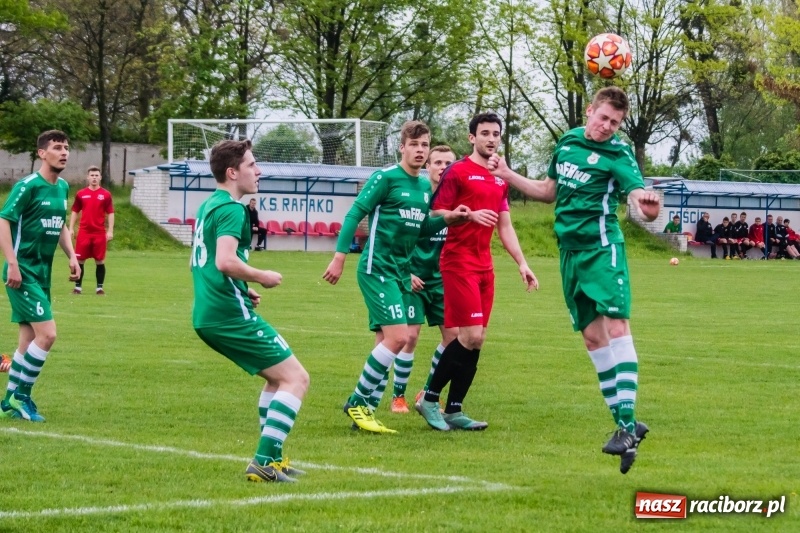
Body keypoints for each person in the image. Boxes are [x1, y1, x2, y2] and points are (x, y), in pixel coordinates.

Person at [487, 87, 657, 474]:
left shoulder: (619, 154)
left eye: (615, 122)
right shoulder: (567, 142)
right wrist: (507, 174)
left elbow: (638, 198)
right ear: (590, 110)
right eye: (603, 117)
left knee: (617, 327)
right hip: (568, 253)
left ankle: (626, 428)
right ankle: (628, 425)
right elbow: (549, 191)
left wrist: (648, 208)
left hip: (602, 250)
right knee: (592, 338)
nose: (607, 126)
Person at [322, 121, 469, 434]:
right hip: (377, 268)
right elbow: (355, 213)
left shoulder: (424, 188)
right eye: (414, 144)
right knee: (400, 337)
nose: (420, 150)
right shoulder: (385, 177)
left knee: (386, 341)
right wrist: (339, 257)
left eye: (424, 144)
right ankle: (357, 401)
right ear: (402, 147)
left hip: (399, 273)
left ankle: (366, 412)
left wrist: (449, 219)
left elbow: (422, 228)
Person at [191, 139, 309, 483]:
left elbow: (204, 263)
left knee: (277, 378)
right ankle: (263, 462)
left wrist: (244, 287)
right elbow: (224, 261)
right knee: (296, 378)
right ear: (232, 173)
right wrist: (261, 276)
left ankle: (274, 459)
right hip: (227, 314)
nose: (259, 171)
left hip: (214, 310)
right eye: (252, 165)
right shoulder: (232, 209)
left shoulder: (209, 205)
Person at [415, 113, 538, 433]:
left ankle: (455, 409)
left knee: (477, 340)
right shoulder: (457, 171)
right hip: (458, 262)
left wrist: (522, 263)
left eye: (496, 134)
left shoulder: (500, 177)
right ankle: (429, 399)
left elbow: (504, 225)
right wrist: (466, 215)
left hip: (485, 265)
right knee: (468, 336)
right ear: (472, 138)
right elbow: (436, 213)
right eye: (485, 133)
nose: (491, 139)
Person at [367, 145, 459, 414]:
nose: (443, 167)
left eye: (449, 163)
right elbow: (398, 238)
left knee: (454, 337)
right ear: (428, 166)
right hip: (412, 277)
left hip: (441, 280)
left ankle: (428, 392)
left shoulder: (455, 201)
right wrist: (407, 273)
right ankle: (398, 396)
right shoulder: (419, 196)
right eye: (438, 162)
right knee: (409, 335)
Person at [0, 130, 81, 422]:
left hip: (42, 273)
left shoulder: (62, 187)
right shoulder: (27, 186)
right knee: (48, 335)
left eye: (66, 147)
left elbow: (60, 225)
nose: (64, 152)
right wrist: (12, 263)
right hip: (22, 272)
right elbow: (4, 220)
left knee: (28, 339)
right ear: (41, 153)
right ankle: (21, 397)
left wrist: (72, 255)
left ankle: (8, 402)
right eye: (57, 147)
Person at [68, 165, 115, 294]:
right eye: (92, 175)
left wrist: (110, 230)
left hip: (99, 232)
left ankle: (99, 288)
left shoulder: (106, 195)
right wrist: (71, 228)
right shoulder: (81, 194)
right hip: (84, 232)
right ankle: (78, 287)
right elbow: (75, 211)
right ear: (88, 177)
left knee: (100, 260)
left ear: (100, 177)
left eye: (96, 175)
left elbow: (110, 213)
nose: (94, 178)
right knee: (79, 260)